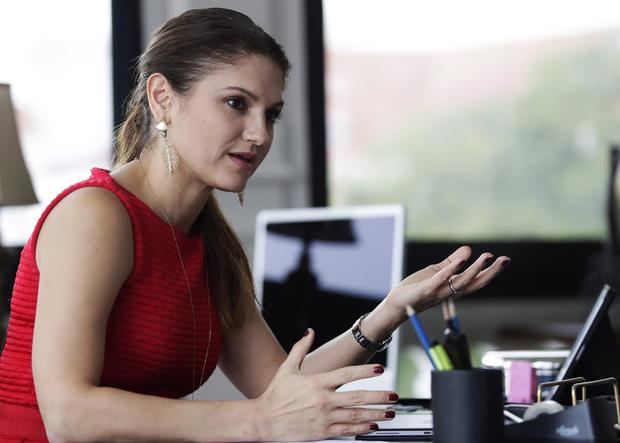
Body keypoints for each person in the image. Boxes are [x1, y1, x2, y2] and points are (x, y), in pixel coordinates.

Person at [0, 8, 510, 442]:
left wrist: (391, 311)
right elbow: (69, 416)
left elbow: (275, 385)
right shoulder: (96, 216)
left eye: (272, 114)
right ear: (162, 97)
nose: (259, 134)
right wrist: (258, 423)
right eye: (236, 103)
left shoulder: (208, 237)